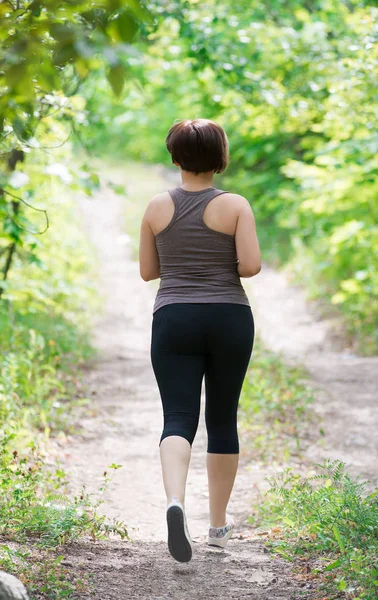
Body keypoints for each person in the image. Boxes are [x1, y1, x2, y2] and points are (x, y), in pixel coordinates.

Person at [139, 118, 262, 563]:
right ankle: (217, 527)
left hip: (173, 317)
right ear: (221, 158)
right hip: (229, 316)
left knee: (177, 416)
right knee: (223, 417)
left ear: (175, 158)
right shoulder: (235, 206)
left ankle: (176, 503)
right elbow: (250, 266)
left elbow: (149, 272)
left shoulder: (156, 207)